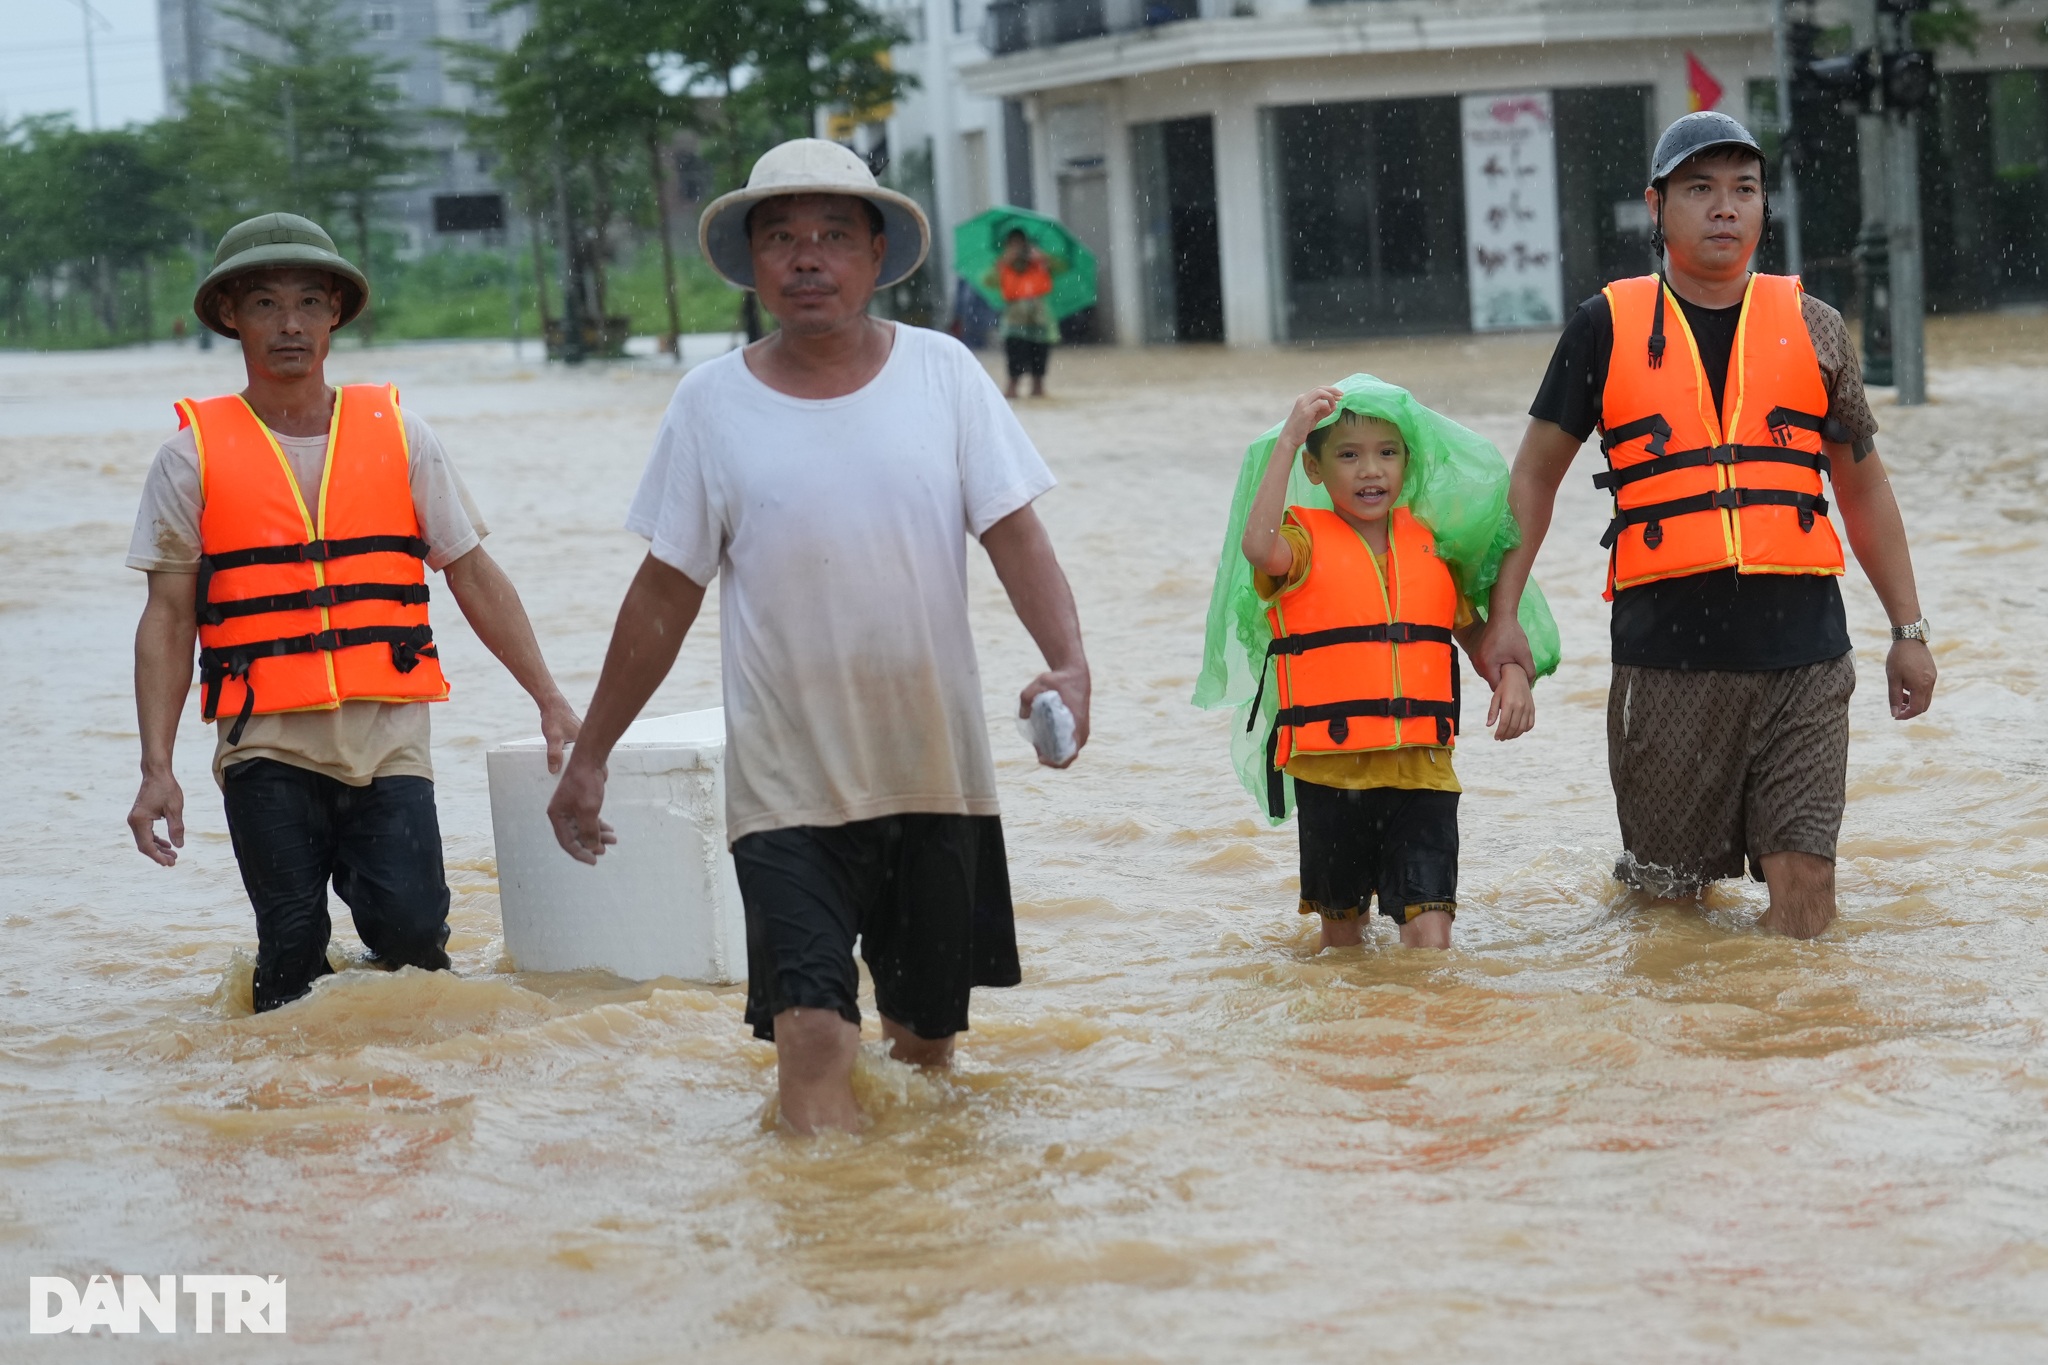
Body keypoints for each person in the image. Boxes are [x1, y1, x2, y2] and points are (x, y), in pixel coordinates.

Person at [545, 140, 1091, 1135]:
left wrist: (1069, 660)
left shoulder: (946, 375)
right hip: (786, 784)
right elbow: (662, 596)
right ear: (751, 264)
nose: (807, 259)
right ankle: (820, 1265)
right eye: (782, 240)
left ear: (875, 255)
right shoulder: (710, 405)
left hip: (933, 768)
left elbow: (1014, 533)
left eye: (833, 238)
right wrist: (590, 756)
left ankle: (901, 1252)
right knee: (810, 1033)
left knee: (923, 1051)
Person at [1473, 112, 1937, 939]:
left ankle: (1793, 1052)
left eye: (1744, 189)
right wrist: (1502, 616)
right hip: (1668, 666)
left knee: (1806, 895)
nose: (1726, 208)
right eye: (1701, 189)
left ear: (1763, 207)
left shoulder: (1816, 326)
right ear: (1656, 207)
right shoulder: (1605, 327)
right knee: (1669, 920)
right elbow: (1534, 478)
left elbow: (1863, 488)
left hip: (1806, 660)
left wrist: (1909, 626)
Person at [124, 213, 582, 1012]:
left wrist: (550, 698)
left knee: (412, 938)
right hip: (264, 742)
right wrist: (155, 767)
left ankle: (404, 1100)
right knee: (292, 951)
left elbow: (472, 573)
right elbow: (167, 617)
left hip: (389, 737)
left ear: (337, 312)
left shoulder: (400, 434)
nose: (290, 323)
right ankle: (296, 1110)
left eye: (308, 301)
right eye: (265, 303)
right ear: (230, 316)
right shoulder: (189, 455)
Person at [1238, 381, 1537, 950]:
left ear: (1407, 463)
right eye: (1348, 455)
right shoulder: (1298, 544)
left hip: (1422, 775)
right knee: (1342, 947)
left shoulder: (1431, 548)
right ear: (1315, 467)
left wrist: (1515, 677)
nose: (1369, 470)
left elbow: (1478, 635)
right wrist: (1288, 438)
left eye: (1387, 452)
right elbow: (1258, 546)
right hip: (1331, 776)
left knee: (1431, 938)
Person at [987, 228, 1061, 399]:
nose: (1018, 249)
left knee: (1040, 352)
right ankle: (1013, 386)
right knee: (1015, 351)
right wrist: (1003, 262)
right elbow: (988, 281)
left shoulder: (1040, 262)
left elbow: (1061, 268)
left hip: (1039, 317)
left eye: (1021, 244)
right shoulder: (1003, 264)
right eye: (1013, 244)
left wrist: (1043, 258)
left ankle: (1038, 386)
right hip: (1014, 318)